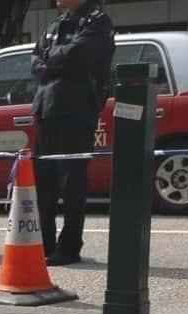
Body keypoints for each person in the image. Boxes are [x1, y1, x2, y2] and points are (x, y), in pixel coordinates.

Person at [32, 0, 114, 266]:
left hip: (76, 110)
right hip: (46, 108)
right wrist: (55, 59)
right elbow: (35, 61)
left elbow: (78, 55)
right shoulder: (56, 24)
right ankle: (44, 243)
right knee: (44, 181)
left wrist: (51, 58)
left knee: (72, 183)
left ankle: (69, 247)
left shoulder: (97, 22)